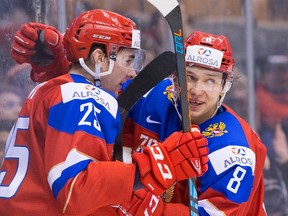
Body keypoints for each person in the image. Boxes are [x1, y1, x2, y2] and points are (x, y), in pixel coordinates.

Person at [8, 15, 267, 215]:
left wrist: (135, 203)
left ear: (225, 86)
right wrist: (69, 65)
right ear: (175, 77)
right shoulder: (149, 96)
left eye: (210, 82)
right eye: (190, 77)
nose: (197, 91)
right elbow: (99, 87)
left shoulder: (234, 150)